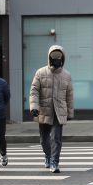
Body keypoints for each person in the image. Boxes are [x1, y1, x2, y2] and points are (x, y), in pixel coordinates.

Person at [29, 45, 74, 173]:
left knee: (56, 138)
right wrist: (34, 107)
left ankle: (55, 161)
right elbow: (34, 91)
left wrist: (70, 112)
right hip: (44, 110)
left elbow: (69, 94)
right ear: (49, 58)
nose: (56, 60)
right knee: (44, 139)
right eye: (54, 57)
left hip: (59, 111)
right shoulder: (40, 72)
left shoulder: (66, 75)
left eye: (59, 58)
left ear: (63, 58)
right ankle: (48, 155)